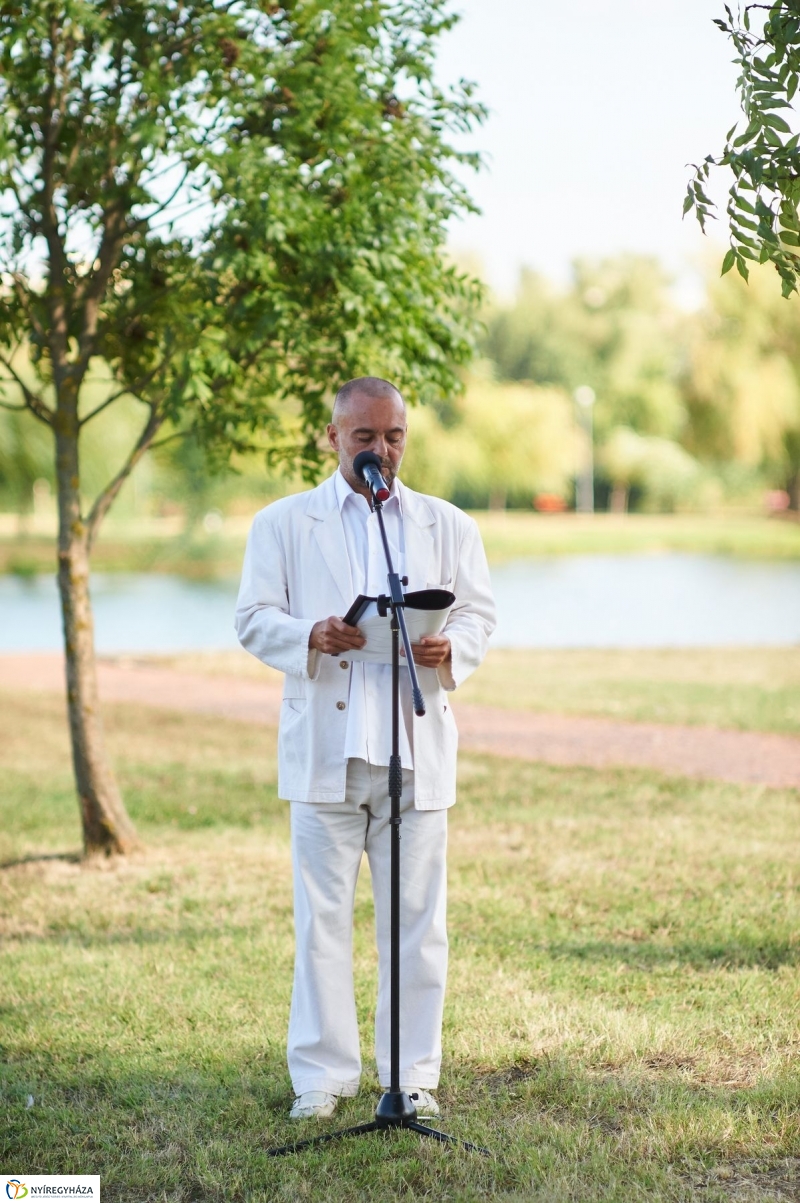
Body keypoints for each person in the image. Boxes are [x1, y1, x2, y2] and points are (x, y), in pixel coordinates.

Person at [235, 377, 496, 1120]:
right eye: (365, 438)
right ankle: (322, 1078)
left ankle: (410, 1077)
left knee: (419, 920)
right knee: (322, 919)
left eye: (393, 437)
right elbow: (252, 617)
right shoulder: (283, 523)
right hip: (327, 747)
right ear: (333, 437)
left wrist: (453, 646)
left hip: (415, 749)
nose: (381, 451)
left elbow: (480, 612)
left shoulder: (448, 525)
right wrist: (309, 635)